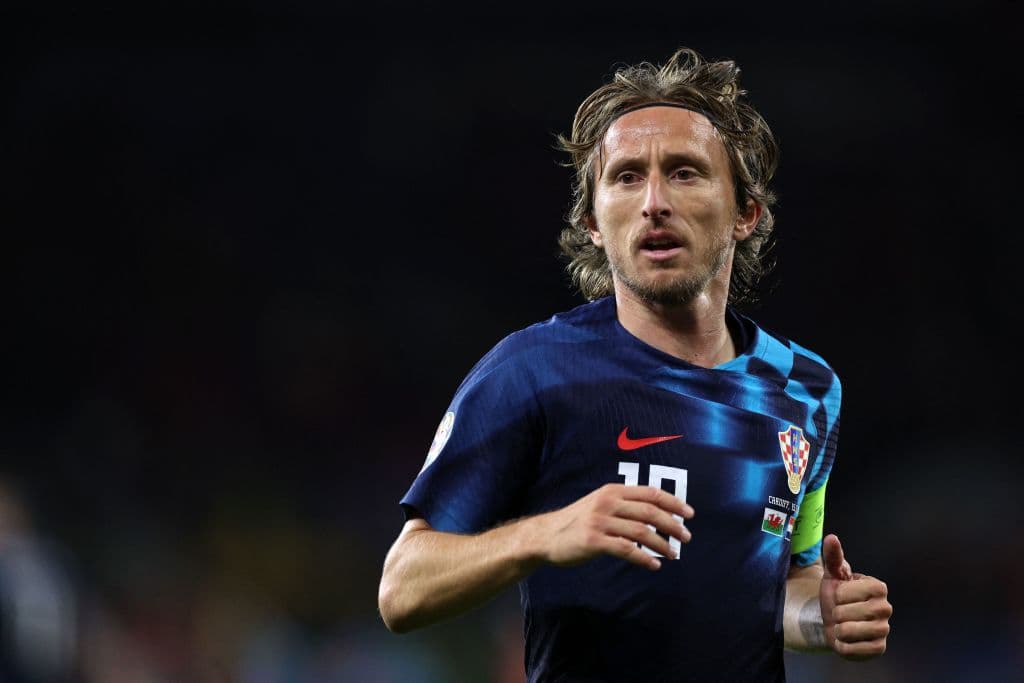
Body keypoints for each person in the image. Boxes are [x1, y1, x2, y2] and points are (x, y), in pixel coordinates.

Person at [378, 47, 892, 682]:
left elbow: (782, 586)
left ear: (745, 213)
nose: (654, 201)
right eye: (626, 177)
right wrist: (545, 534)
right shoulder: (535, 370)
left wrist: (826, 615)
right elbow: (402, 588)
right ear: (593, 221)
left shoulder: (808, 390)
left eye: (684, 172)